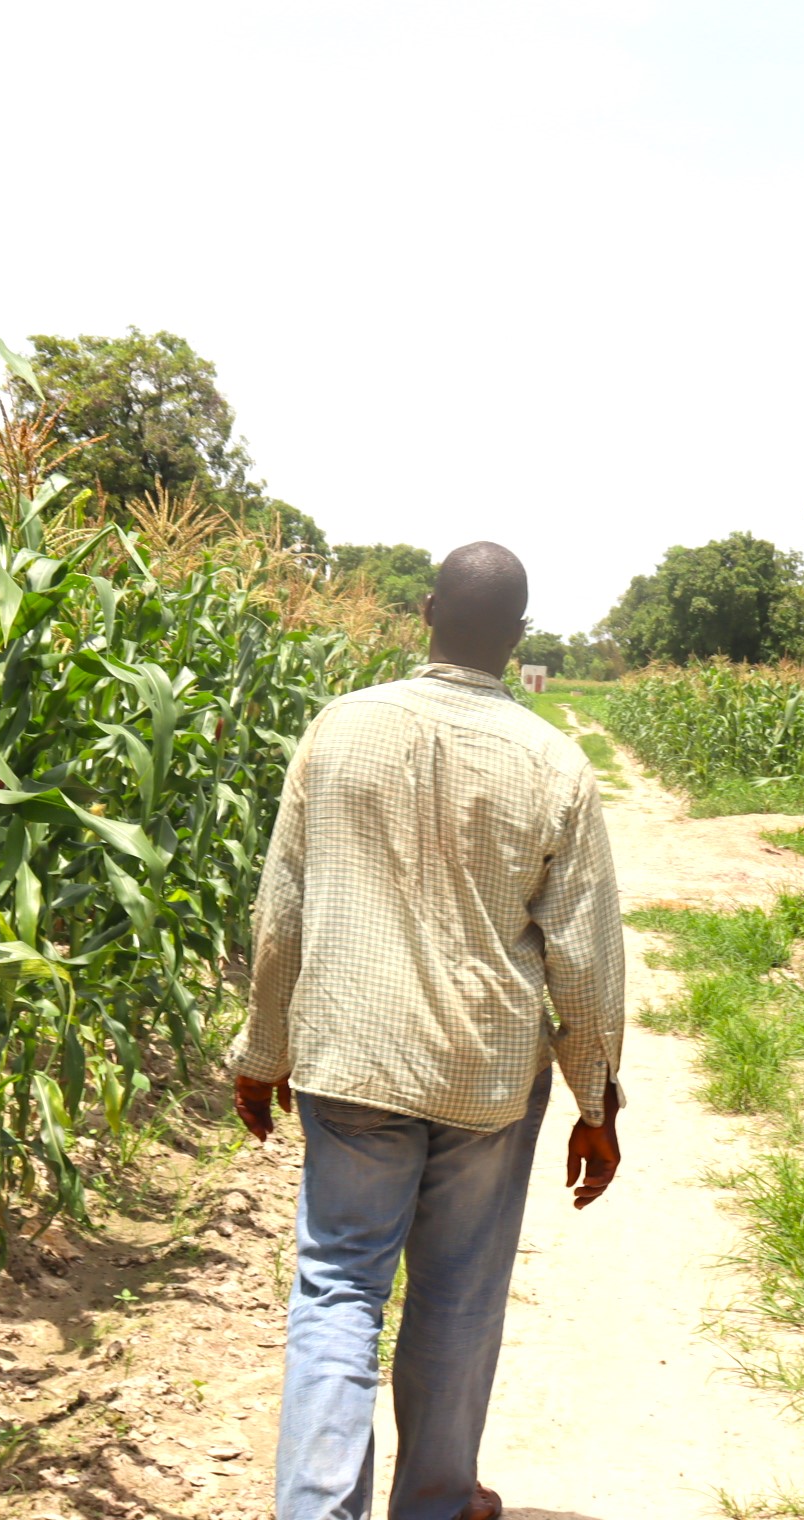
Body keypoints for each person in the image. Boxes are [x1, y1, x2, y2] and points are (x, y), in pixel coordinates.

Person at [228, 541, 626, 1520]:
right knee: (457, 1291)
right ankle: (436, 1501)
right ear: (519, 639)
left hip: (352, 1060)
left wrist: (262, 1050)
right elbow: (584, 955)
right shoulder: (552, 763)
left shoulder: (339, 729)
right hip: (485, 1076)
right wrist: (596, 1097)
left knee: (337, 1287)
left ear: (425, 612)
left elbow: (283, 910)